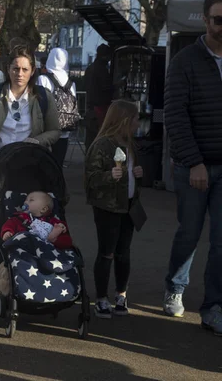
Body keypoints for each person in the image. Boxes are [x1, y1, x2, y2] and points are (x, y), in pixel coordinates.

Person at [0, 44, 60, 308]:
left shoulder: (42, 97)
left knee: (32, 225)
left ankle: (28, 283)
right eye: (14, 68)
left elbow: (55, 130)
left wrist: (36, 140)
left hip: (32, 169)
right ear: (7, 70)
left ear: (32, 71)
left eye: (24, 69)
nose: (19, 73)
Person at [163, 0, 222, 334]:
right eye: (218, 20)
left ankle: (214, 304)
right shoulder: (185, 61)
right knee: (189, 233)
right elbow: (175, 116)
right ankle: (175, 287)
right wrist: (195, 162)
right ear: (205, 20)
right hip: (193, 166)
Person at [85, 100, 143, 319]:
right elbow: (90, 179)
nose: (138, 123)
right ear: (125, 120)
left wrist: (138, 174)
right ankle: (101, 298)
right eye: (136, 119)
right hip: (107, 208)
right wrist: (109, 176)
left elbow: (132, 174)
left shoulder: (131, 144)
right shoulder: (101, 145)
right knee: (107, 252)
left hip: (128, 206)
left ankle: (121, 294)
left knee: (123, 252)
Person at [37, 47, 78, 167]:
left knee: (44, 163)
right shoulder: (71, 83)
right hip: (64, 128)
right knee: (58, 163)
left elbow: (38, 103)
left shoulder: (43, 79)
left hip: (47, 129)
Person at [1, 191, 72, 250]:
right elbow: (9, 224)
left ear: (43, 209)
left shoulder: (52, 222)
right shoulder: (20, 218)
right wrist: (7, 232)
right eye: (26, 199)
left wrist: (60, 229)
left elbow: (67, 240)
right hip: (25, 249)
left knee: (64, 241)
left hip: (48, 250)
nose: (25, 202)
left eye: (31, 200)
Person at [84, 44, 113, 149]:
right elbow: (106, 88)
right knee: (99, 136)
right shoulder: (102, 70)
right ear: (105, 56)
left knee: (90, 138)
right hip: (100, 108)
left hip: (91, 107)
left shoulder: (90, 68)